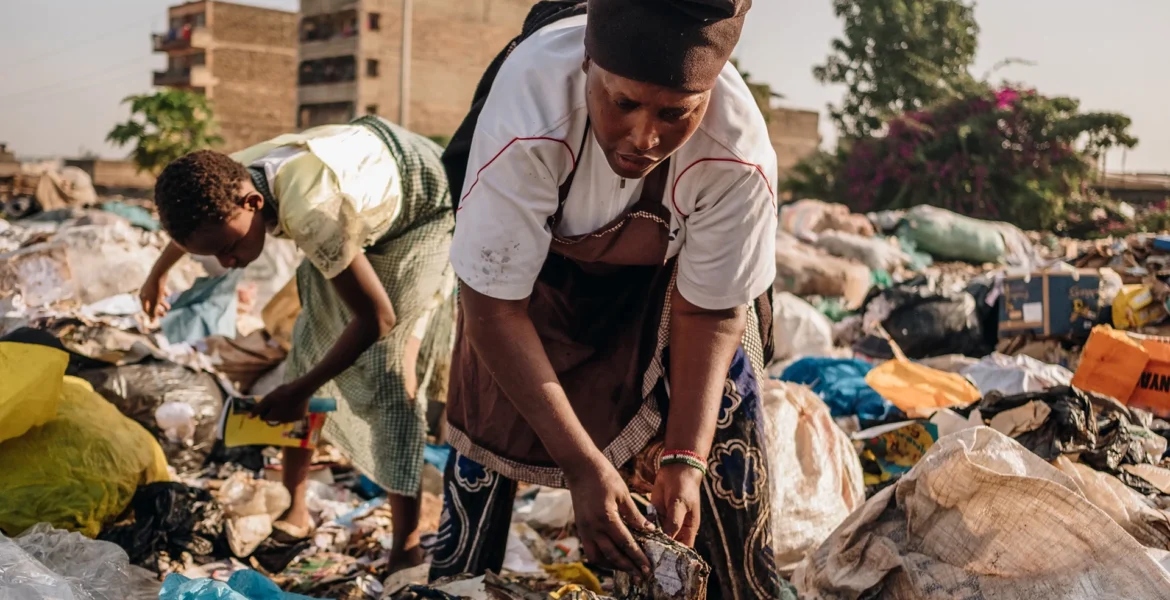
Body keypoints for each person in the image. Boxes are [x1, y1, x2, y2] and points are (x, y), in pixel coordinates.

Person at [430, 0, 781, 597]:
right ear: (589, 64)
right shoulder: (529, 113)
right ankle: (456, 581)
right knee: (489, 421)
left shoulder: (737, 156)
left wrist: (686, 459)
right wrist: (585, 466)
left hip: (670, 286)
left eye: (676, 114)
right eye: (623, 104)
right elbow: (493, 309)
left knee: (722, 429)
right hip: (531, 283)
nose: (645, 137)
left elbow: (711, 310)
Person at [139, 115, 455, 573]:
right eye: (215, 256)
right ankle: (296, 507)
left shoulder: (313, 211)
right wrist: (157, 273)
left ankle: (405, 543)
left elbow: (377, 318)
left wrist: (302, 391)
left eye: (228, 249)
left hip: (420, 206)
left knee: (387, 368)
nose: (227, 264)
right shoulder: (234, 177)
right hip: (359, 190)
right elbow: (195, 231)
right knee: (308, 346)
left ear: (252, 201)